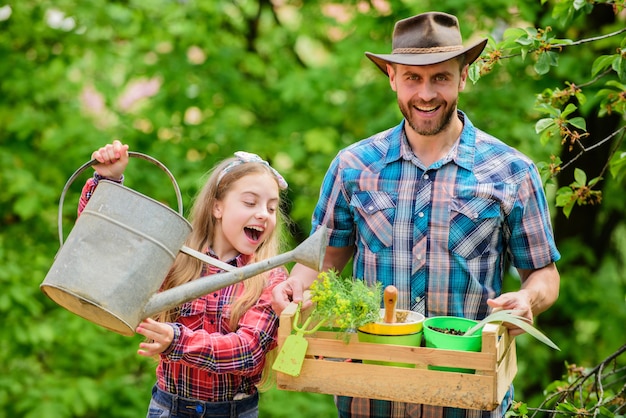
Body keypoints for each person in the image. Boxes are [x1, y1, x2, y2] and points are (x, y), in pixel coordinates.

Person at [271, 12, 561, 418]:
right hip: (369, 399)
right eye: (412, 78)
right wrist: (295, 288)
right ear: (392, 77)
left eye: (440, 77)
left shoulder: (511, 172)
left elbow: (544, 274)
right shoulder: (354, 166)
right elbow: (324, 261)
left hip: (469, 400)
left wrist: (529, 298)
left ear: (463, 77)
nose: (426, 94)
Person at [79, 140, 290, 418]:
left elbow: (248, 351)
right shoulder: (178, 258)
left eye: (272, 208)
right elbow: (109, 243)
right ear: (217, 207)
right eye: (250, 202)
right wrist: (108, 179)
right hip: (169, 409)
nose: (263, 213)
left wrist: (177, 340)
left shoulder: (270, 277)